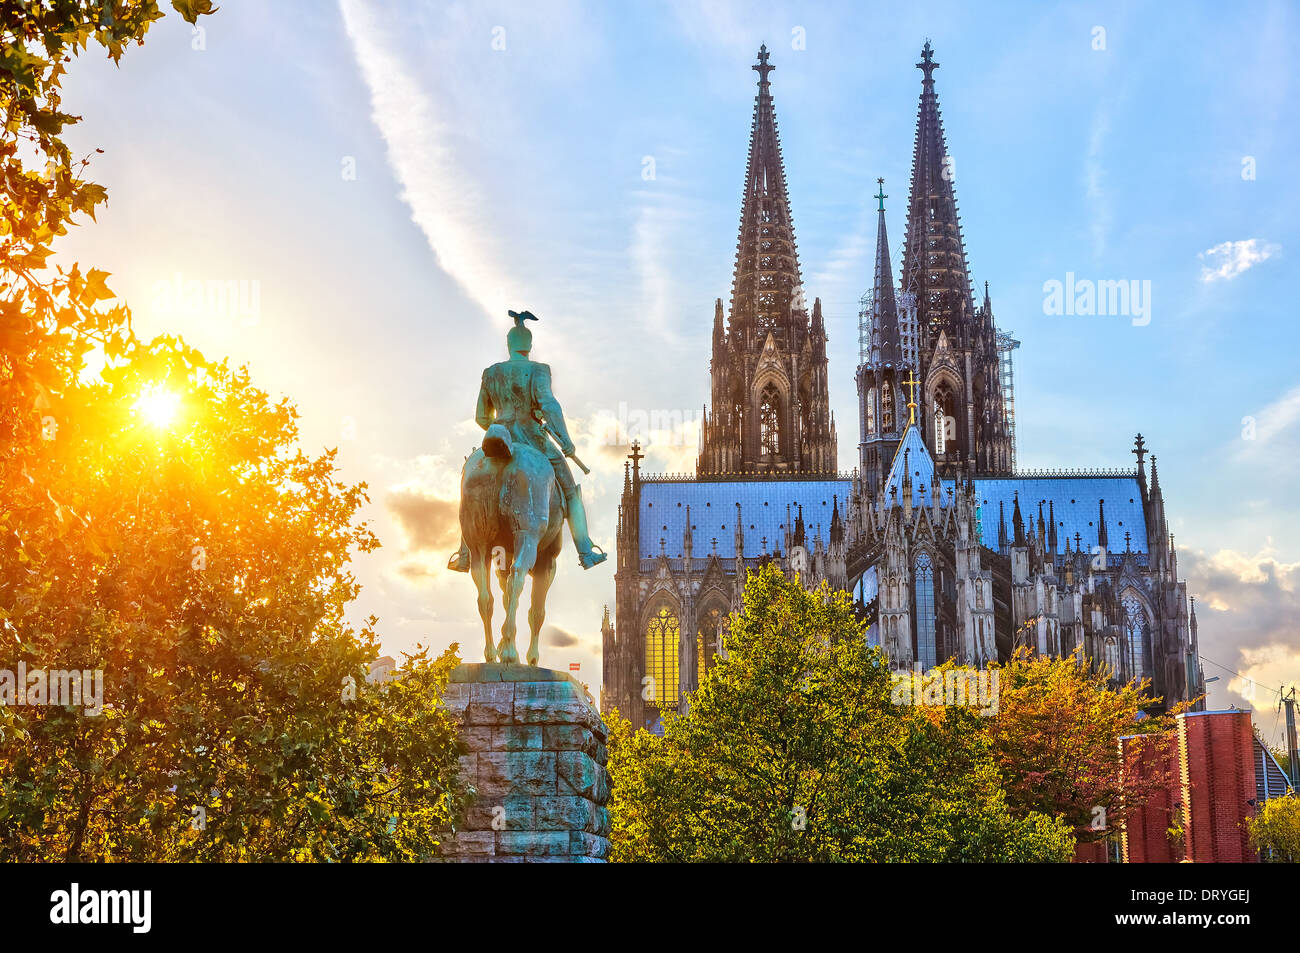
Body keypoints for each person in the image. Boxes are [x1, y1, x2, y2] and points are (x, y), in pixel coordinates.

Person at [448, 310, 607, 571]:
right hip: (534, 438)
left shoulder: (491, 373)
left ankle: (464, 553)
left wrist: (499, 427)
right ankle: (586, 551)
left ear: (509, 345)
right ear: (529, 346)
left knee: (468, 484)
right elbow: (550, 406)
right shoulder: (539, 370)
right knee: (571, 492)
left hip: (498, 437)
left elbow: (480, 416)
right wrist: (565, 440)